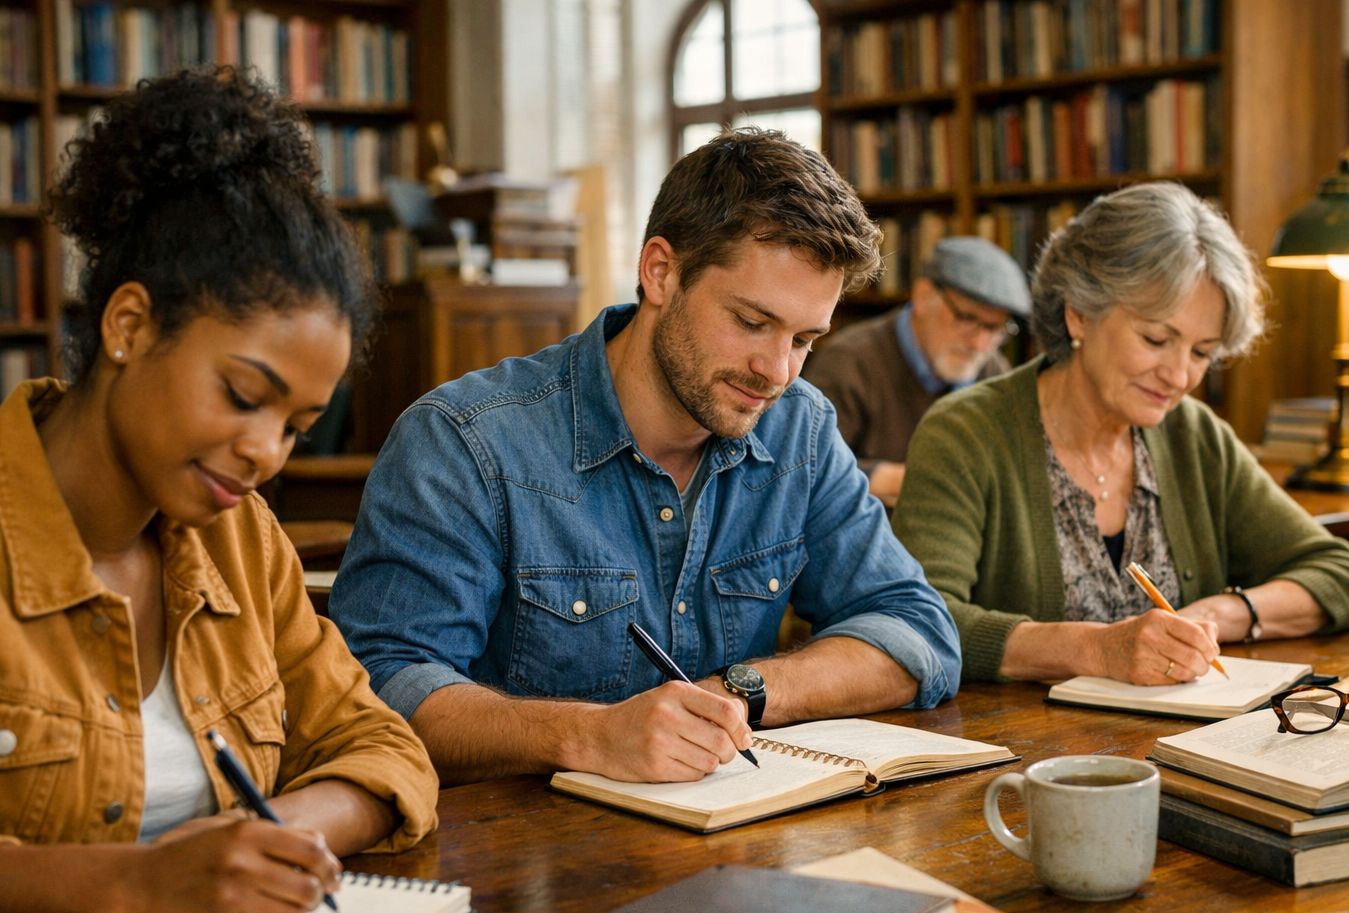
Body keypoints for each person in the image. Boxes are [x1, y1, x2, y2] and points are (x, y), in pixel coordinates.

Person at [330, 128, 962, 786]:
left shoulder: (798, 429)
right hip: (525, 864)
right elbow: (383, 688)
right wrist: (590, 735)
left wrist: (736, 692)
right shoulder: (464, 442)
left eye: (805, 339)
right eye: (751, 321)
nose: (776, 370)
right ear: (660, 272)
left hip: (735, 846)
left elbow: (917, 632)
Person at [0, 68, 438, 913]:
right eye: (241, 394)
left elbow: (385, 750)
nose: (266, 452)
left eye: (297, 426)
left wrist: (279, 838)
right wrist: (137, 885)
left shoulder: (241, 540)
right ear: (128, 327)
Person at [892, 182, 1349, 687]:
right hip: (1029, 756)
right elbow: (920, 621)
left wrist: (1221, 616)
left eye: (1201, 352)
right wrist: (1095, 650)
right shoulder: (966, 433)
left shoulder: (1193, 434)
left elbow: (1344, 577)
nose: (1179, 377)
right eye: (1156, 339)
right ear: (1078, 312)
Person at [802, 237, 1029, 501]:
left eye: (994, 328)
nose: (979, 344)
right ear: (923, 296)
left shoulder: (993, 370)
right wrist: (886, 478)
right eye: (967, 319)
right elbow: (803, 468)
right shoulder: (848, 362)